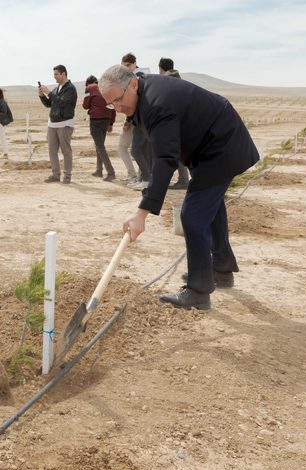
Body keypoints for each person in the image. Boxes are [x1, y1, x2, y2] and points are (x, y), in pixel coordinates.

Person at [99, 64, 259, 311]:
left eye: (118, 100)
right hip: (209, 145)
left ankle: (198, 292)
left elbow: (164, 159)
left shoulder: (157, 102)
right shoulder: (143, 94)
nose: (118, 109)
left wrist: (142, 212)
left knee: (192, 216)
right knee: (210, 207)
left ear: (132, 84)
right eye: (112, 105)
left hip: (221, 146)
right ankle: (221, 268)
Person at [38, 64, 77, 183]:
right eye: (54, 74)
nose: (54, 77)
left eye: (56, 74)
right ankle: (55, 175)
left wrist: (49, 93)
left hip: (65, 124)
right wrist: (42, 96)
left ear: (63, 74)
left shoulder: (70, 88)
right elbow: (50, 104)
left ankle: (67, 176)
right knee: (52, 150)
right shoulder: (56, 89)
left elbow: (62, 103)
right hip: (52, 125)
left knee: (66, 151)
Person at [158, 57, 190, 190]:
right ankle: (183, 179)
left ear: (161, 68)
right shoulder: (179, 79)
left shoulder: (167, 81)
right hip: (183, 119)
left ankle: (183, 180)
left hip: (174, 121)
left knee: (176, 152)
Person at [121, 53, 151, 190]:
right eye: (124, 66)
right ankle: (143, 178)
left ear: (134, 64)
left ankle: (146, 179)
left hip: (142, 118)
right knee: (143, 150)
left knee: (136, 150)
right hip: (140, 118)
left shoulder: (139, 77)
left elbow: (134, 101)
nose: (126, 68)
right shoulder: (136, 76)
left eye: (128, 65)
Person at [82, 75, 116, 181]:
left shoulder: (89, 88)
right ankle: (99, 170)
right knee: (100, 145)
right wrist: (111, 123)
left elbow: (85, 105)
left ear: (88, 83)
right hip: (106, 119)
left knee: (100, 147)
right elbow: (112, 107)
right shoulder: (107, 87)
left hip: (96, 120)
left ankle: (111, 172)